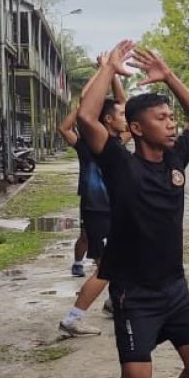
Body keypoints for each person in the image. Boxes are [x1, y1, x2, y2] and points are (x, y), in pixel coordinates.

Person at [73, 40, 189, 378]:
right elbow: (84, 119)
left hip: (174, 287)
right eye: (161, 118)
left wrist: (169, 75)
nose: (172, 124)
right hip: (135, 293)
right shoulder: (118, 163)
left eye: (170, 117)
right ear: (135, 128)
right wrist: (108, 70)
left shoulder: (176, 160)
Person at [57, 63, 129, 336]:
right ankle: (72, 319)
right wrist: (84, 105)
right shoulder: (88, 143)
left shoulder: (118, 140)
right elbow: (64, 128)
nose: (124, 116)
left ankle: (114, 302)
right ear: (107, 119)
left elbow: (122, 105)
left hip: (113, 209)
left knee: (118, 261)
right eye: (119, 115)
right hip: (97, 208)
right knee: (106, 267)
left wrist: (109, 73)